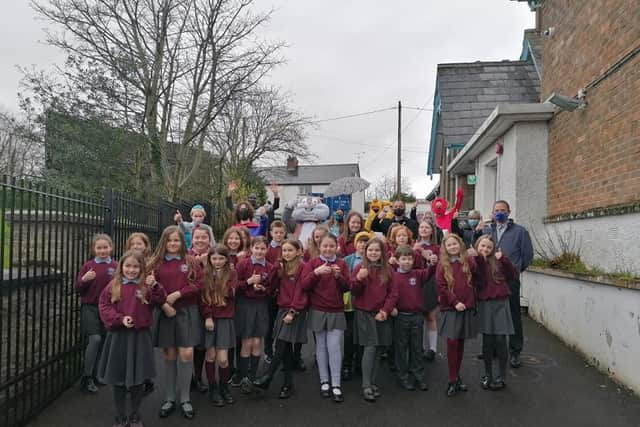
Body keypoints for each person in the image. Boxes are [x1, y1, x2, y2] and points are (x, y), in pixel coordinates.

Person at [97, 251, 166, 427]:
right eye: (128, 266)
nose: (131, 270)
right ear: (121, 267)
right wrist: (120, 319)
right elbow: (104, 305)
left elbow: (160, 300)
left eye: (136, 266)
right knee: (119, 378)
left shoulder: (146, 287)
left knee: (138, 378)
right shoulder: (114, 286)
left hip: (140, 338)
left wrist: (156, 286)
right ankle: (120, 416)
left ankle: (135, 414)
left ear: (142, 268)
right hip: (118, 337)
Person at [148, 226, 203, 420]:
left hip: (186, 312)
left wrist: (178, 294)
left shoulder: (191, 261)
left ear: (182, 242)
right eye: (170, 240)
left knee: (186, 353)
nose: (173, 244)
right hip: (165, 312)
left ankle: (185, 398)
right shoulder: (155, 263)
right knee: (170, 353)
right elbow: (149, 289)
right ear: (164, 242)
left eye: (177, 240)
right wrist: (164, 303)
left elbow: (199, 284)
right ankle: (170, 398)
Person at [253, 240, 308, 399]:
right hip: (282, 309)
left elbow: (301, 292)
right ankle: (287, 384)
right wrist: (274, 271)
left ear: (298, 251)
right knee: (286, 349)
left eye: (290, 250)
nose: (286, 253)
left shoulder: (303, 267)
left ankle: (268, 377)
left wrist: (293, 311)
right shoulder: (281, 267)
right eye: (284, 250)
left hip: (294, 311)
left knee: (282, 344)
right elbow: (271, 285)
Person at [482, 200, 533, 368]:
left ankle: (515, 351)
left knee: (512, 315)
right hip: (490, 281)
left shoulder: (520, 232)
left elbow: (527, 256)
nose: (499, 213)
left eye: (502, 210)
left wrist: (514, 271)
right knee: (492, 315)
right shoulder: (487, 230)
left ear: (509, 212)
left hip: (509, 281)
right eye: (496, 210)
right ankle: (495, 349)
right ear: (492, 212)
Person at [301, 234, 350, 403]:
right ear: (319, 247)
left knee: (334, 347)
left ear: (336, 246)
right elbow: (304, 285)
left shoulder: (342, 263)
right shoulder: (313, 263)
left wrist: (338, 277)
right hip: (318, 310)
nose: (328, 249)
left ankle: (336, 383)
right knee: (321, 346)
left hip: (336, 310)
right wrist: (316, 273)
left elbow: (347, 287)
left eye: (331, 246)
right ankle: (324, 381)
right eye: (324, 246)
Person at [436, 234, 485, 397]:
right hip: (451, 307)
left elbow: (480, 278)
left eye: (454, 244)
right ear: (445, 248)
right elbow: (442, 286)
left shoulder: (469, 261)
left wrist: (479, 259)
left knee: (460, 341)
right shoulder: (442, 264)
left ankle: (457, 376)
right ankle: (451, 379)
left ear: (460, 244)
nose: (452, 247)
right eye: (448, 245)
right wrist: (455, 302)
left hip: (467, 306)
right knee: (452, 341)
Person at [350, 238, 398, 402]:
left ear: (382, 253)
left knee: (379, 348)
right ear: (365, 252)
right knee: (370, 348)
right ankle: (366, 385)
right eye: (370, 250)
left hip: (381, 314)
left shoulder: (388, 270)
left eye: (377, 250)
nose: (373, 253)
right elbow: (354, 291)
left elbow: (393, 294)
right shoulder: (360, 268)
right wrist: (359, 279)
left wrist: (385, 310)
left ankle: (372, 382)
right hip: (365, 314)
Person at [472, 236, 517, 391]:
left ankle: (501, 376)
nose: (485, 249)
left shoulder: (498, 261)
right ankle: (488, 374)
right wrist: (478, 259)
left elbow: (512, 275)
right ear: (477, 246)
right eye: (482, 246)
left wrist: (503, 259)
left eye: (489, 247)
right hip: (485, 304)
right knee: (488, 340)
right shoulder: (474, 261)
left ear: (493, 249)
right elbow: (479, 278)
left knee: (500, 340)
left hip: (501, 304)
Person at [76, 234, 117, 394]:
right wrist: (84, 280)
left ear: (111, 248)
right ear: (93, 249)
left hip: (107, 309)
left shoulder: (116, 265)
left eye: (105, 247)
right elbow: (78, 289)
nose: (102, 250)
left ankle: (97, 374)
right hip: (90, 307)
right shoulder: (88, 266)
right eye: (99, 248)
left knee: (104, 341)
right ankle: (86, 377)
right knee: (95, 339)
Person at [234, 236, 275, 393]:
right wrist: (249, 282)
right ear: (251, 248)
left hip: (261, 306)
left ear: (267, 250)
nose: (259, 251)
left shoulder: (270, 267)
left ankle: (252, 377)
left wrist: (264, 290)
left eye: (263, 248)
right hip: (245, 305)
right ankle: (243, 376)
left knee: (257, 341)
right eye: (256, 248)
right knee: (246, 342)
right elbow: (235, 287)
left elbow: (272, 289)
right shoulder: (243, 264)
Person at [392, 245, 435, 392]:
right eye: (403, 259)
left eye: (410, 259)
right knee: (401, 348)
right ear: (397, 261)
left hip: (416, 317)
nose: (407, 262)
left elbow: (430, 272)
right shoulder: (393, 276)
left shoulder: (417, 274)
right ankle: (402, 376)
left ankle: (418, 376)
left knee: (416, 347)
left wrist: (432, 262)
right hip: (401, 318)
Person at [199, 244, 237, 406]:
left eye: (221, 258)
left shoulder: (232, 273)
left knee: (223, 359)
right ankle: (213, 388)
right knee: (211, 355)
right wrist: (207, 317)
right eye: (214, 258)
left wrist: (220, 279)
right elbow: (204, 297)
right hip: (210, 319)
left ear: (226, 259)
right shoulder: (205, 274)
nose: (217, 262)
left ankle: (224, 386)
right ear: (209, 259)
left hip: (225, 319)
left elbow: (231, 293)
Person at [125, 233, 155, 395]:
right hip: (128, 309)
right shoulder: (126, 262)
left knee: (145, 346)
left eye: (139, 244)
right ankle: (130, 378)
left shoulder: (151, 263)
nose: (136, 246)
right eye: (133, 244)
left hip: (145, 308)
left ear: (146, 246)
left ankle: (145, 377)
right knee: (129, 348)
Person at [342, 231, 372, 381]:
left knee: (362, 336)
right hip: (349, 304)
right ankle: (347, 364)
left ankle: (360, 364)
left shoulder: (373, 261)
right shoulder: (347, 260)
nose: (363, 244)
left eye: (366, 242)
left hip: (365, 304)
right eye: (360, 241)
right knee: (349, 336)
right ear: (356, 244)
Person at [188, 224, 215, 394]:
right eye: (197, 237)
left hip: (209, 306)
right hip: (190, 306)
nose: (200, 240)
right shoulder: (186, 256)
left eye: (203, 237)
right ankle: (187, 377)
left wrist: (206, 265)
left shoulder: (215, 256)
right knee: (188, 345)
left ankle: (198, 378)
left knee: (202, 346)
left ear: (209, 239)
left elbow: (217, 283)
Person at [413, 220, 441, 361]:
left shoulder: (437, 248)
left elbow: (439, 266)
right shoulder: (413, 246)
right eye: (421, 227)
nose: (423, 229)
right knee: (418, 318)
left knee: (430, 316)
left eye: (427, 227)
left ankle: (432, 349)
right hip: (415, 282)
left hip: (430, 283)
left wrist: (428, 257)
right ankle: (420, 347)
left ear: (432, 231)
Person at [264, 220, 288, 362]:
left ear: (285, 233)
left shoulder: (287, 247)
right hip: (271, 291)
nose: (278, 235)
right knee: (270, 322)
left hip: (285, 291)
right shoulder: (267, 249)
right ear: (271, 233)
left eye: (281, 232)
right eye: (276, 232)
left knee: (282, 323)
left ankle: (282, 352)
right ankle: (268, 350)